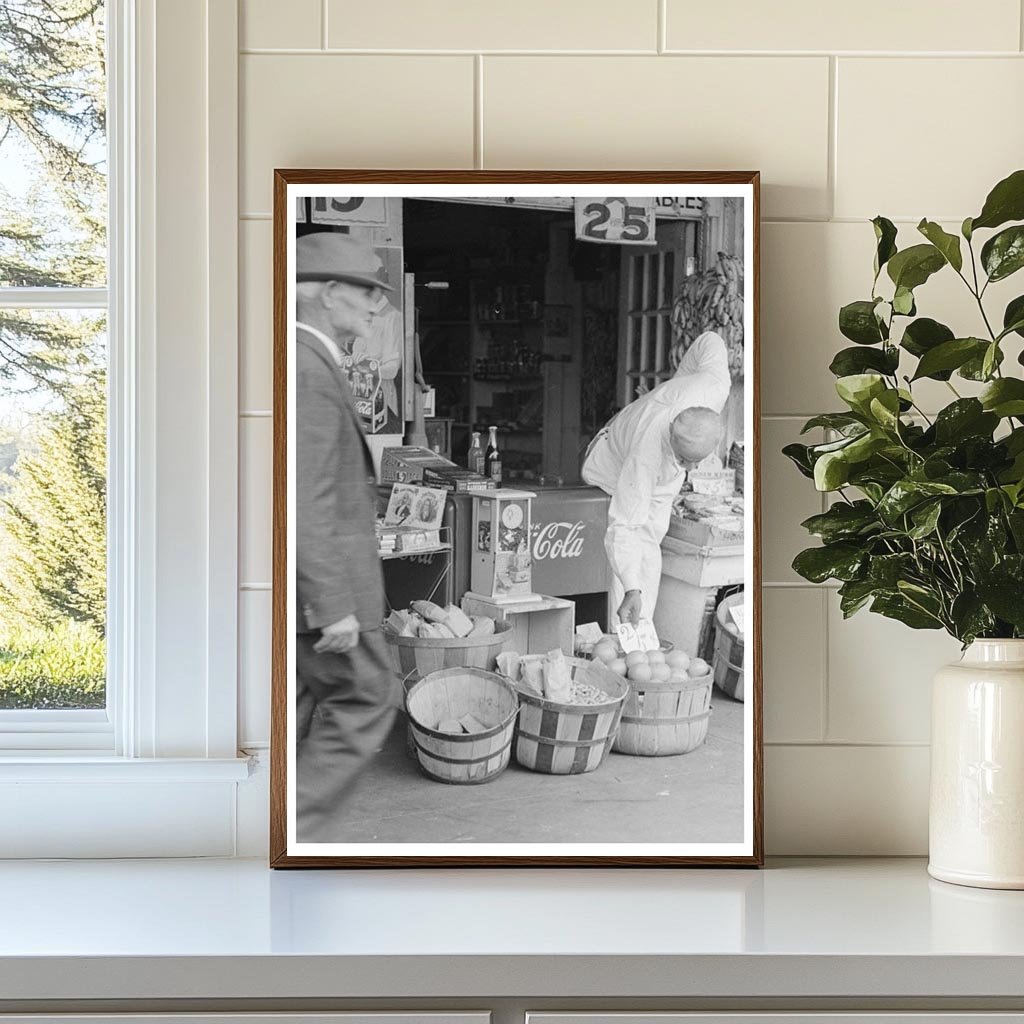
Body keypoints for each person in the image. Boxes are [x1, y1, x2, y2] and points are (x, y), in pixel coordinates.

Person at [294, 231, 397, 844]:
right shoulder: (307, 368)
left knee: (308, 705)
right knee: (367, 697)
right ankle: (292, 834)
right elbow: (304, 495)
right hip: (329, 592)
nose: (373, 306)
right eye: (366, 292)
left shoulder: (307, 359)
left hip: (315, 583)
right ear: (329, 293)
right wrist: (332, 605)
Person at [581, 332, 731, 627]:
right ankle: (626, 630)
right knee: (636, 539)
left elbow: (709, 339)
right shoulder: (646, 454)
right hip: (612, 463)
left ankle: (642, 629)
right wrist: (631, 589)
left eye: (693, 462)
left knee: (653, 536)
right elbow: (624, 526)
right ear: (671, 432)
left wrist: (677, 382)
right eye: (682, 458)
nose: (687, 467)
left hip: (660, 461)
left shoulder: (715, 386)